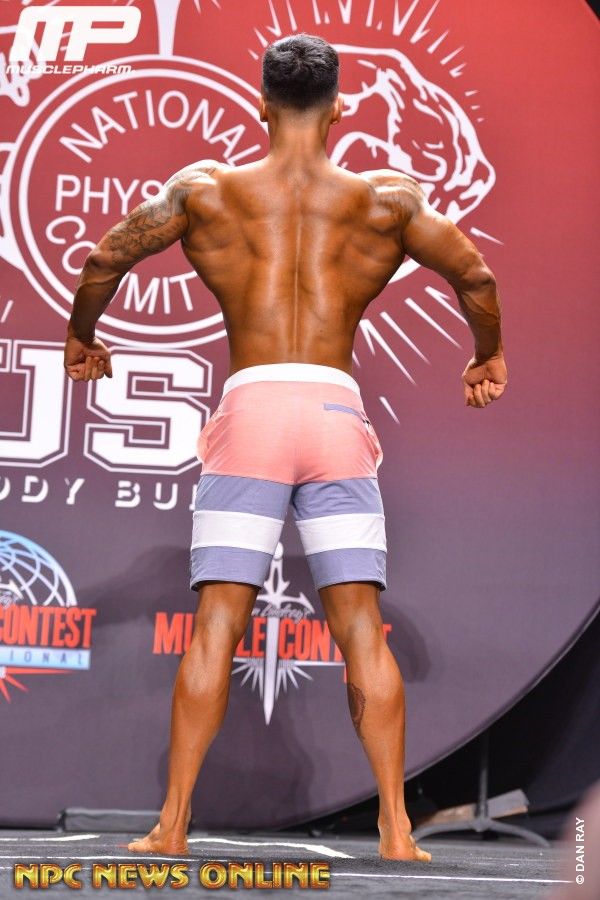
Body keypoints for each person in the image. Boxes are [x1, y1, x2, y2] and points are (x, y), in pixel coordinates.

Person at [63, 33, 507, 862]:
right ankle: (397, 829)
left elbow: (103, 259)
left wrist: (82, 338)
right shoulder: (388, 201)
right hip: (335, 415)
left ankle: (171, 826)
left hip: (253, 412)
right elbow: (476, 277)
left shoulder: (204, 191)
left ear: (260, 104)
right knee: (362, 627)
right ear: (340, 109)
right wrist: (488, 355)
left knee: (215, 625)